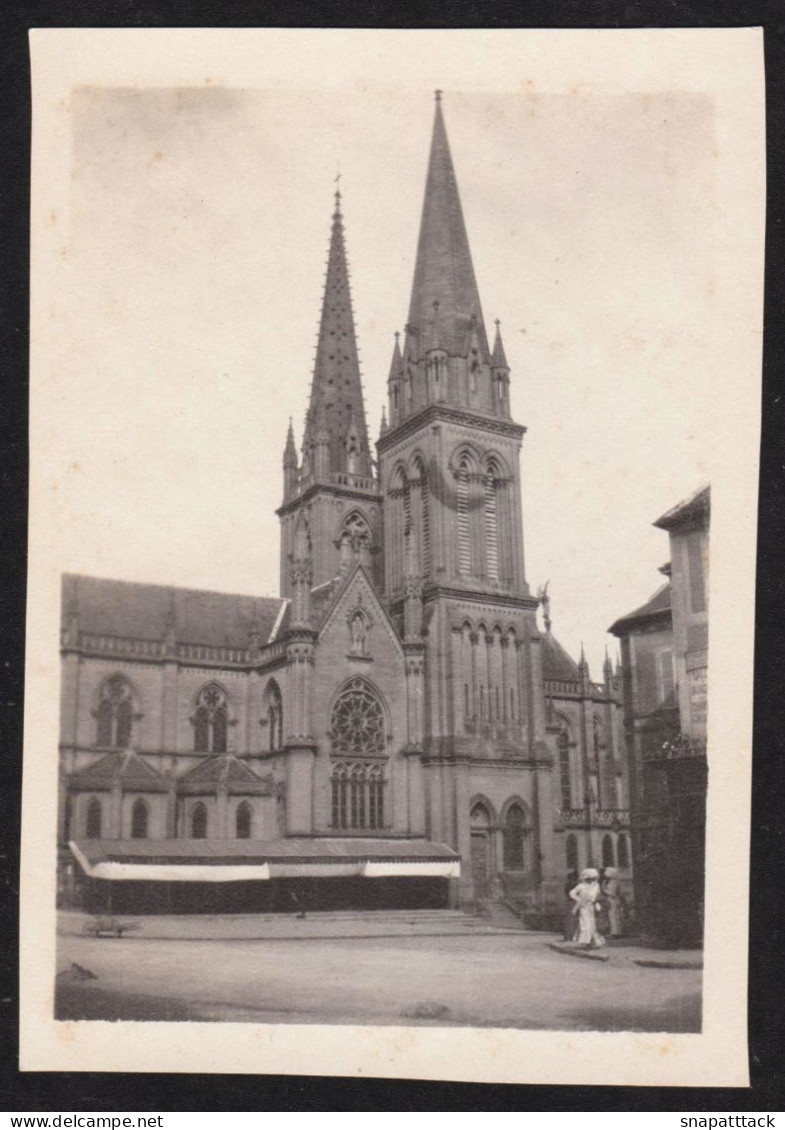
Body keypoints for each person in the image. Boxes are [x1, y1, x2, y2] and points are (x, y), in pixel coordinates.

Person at [569, 867, 604, 947]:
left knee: (592, 924)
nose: (591, 880)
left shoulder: (596, 886)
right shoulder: (581, 886)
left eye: (593, 878)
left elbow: (598, 896)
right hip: (583, 907)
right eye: (590, 878)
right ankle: (586, 942)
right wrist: (578, 900)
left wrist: (597, 903)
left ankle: (593, 941)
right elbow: (572, 893)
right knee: (585, 923)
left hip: (591, 906)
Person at [602, 866, 623, 938]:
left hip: (612, 900)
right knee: (614, 916)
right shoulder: (614, 881)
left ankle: (615, 933)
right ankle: (616, 932)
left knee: (613, 916)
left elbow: (612, 893)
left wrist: (604, 890)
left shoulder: (613, 883)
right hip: (614, 900)